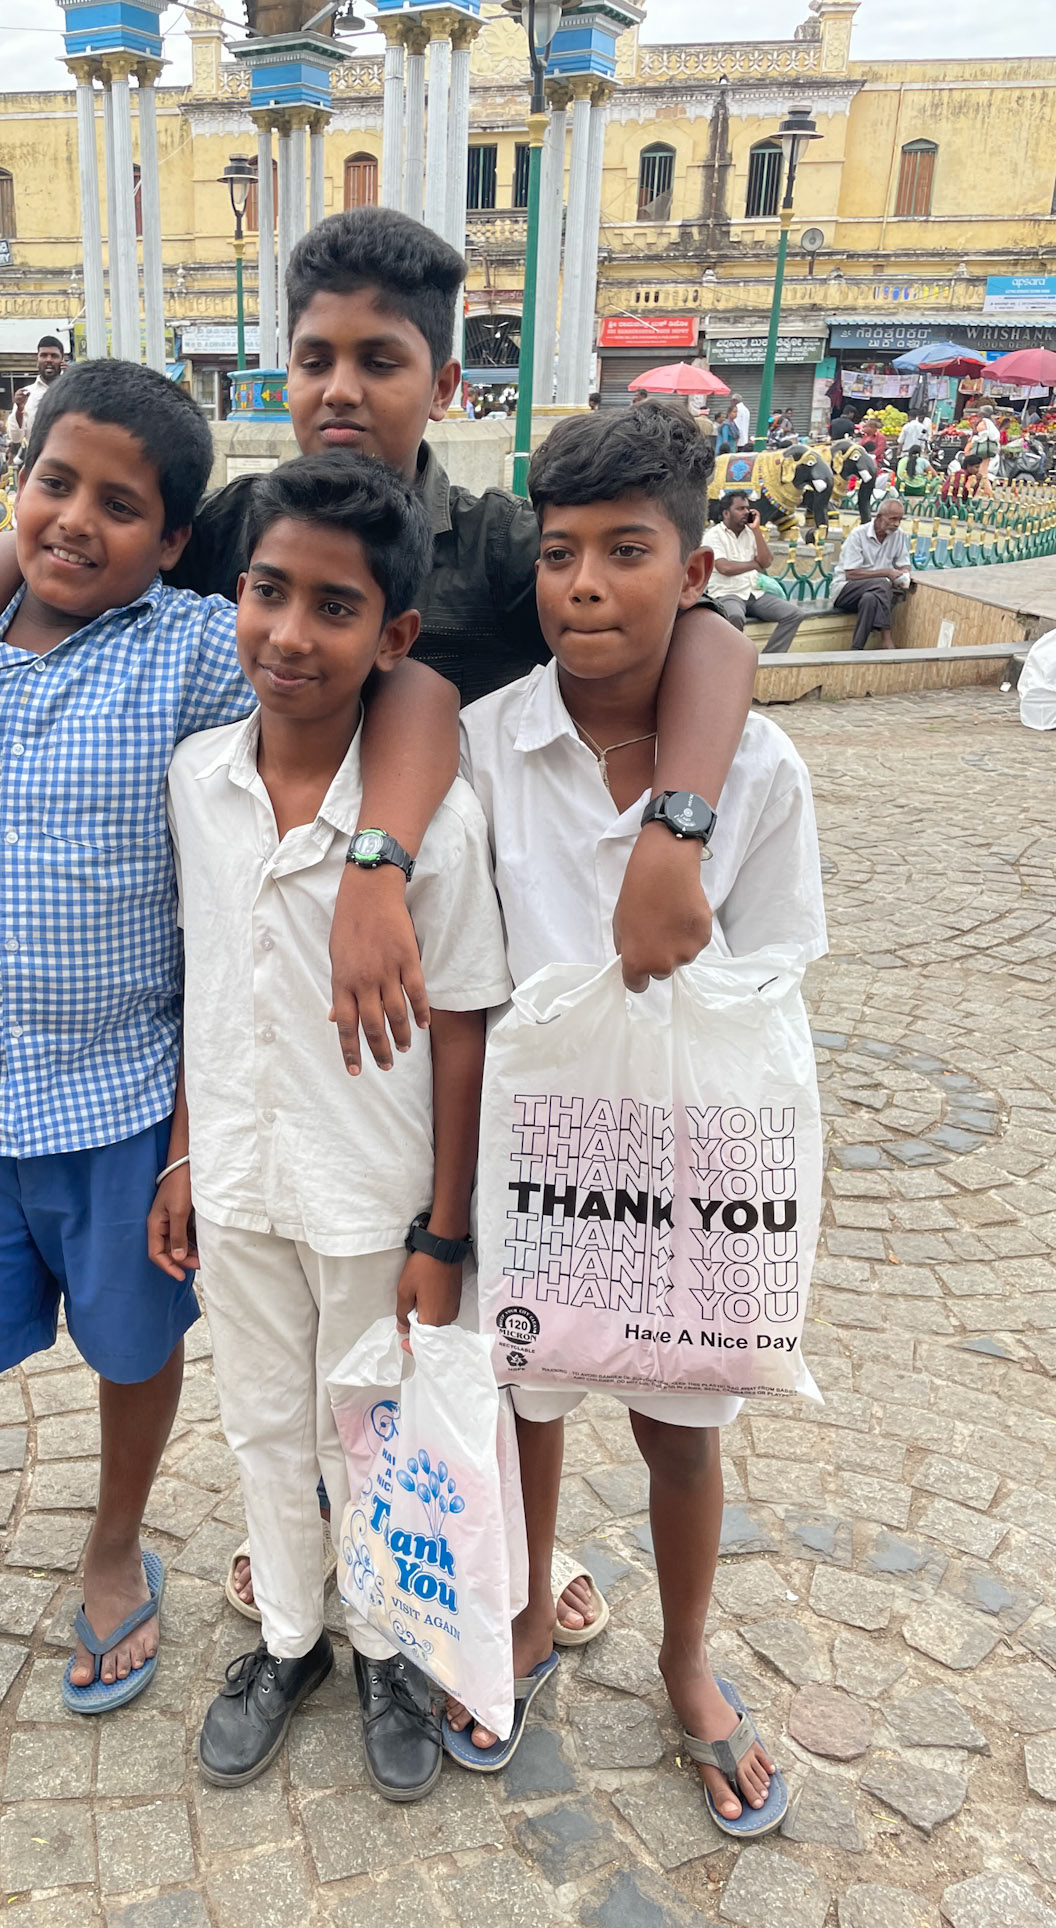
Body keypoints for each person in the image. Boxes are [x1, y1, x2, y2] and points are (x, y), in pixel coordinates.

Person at [0, 205, 758, 1634]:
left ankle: (492, 1544)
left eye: (380, 361)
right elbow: (53, 540)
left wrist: (668, 826)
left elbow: (693, 626)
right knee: (294, 1325)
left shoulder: (494, 540)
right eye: (315, 357)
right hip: (277, 985)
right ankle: (305, 1541)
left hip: (453, 971)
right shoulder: (234, 521)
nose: (342, 388)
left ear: (444, 384)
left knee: (452, 1291)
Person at [0, 356, 465, 1750]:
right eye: (51, 484)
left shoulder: (191, 648)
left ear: (177, 541)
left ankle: (116, 1547)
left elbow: (405, 686)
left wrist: (377, 858)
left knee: (136, 1349)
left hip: (121, 1106)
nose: (74, 521)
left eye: (120, 506)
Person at [455, 402, 826, 1835]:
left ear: (694, 568)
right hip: (537, 1156)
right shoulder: (491, 747)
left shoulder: (759, 771)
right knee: (529, 1397)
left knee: (683, 1425)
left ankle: (684, 1657)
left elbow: (776, 975)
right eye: (560, 555)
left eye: (627, 550)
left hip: (689, 1158)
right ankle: (526, 1610)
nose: (587, 585)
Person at [155, 453, 511, 1799]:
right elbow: (205, 978)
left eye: (335, 607)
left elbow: (465, 1021)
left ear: (395, 635)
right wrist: (186, 1151)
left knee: (374, 1430)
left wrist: (445, 1228)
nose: (291, 633)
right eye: (268, 591)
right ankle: (291, 1637)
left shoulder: (434, 825)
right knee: (262, 1420)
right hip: (240, 1178)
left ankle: (386, 1647)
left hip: (374, 1195)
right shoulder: (198, 781)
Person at [702, 491, 802, 654]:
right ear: (726, 513)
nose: (746, 512)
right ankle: (731, 660)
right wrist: (755, 565)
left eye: (747, 508)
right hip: (727, 593)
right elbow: (724, 568)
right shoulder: (713, 535)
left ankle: (770, 659)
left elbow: (766, 561)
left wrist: (756, 531)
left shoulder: (751, 533)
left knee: (793, 614)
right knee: (735, 616)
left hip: (754, 593)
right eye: (740, 509)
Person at [831, 495, 912, 648]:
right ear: (880, 517)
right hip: (845, 590)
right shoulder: (858, 535)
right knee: (882, 583)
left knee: (870, 599)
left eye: (900, 520)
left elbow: (904, 564)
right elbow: (851, 574)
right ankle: (886, 637)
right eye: (893, 519)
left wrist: (903, 575)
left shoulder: (898, 535)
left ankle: (856, 649)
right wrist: (886, 573)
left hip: (874, 592)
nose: (896, 524)